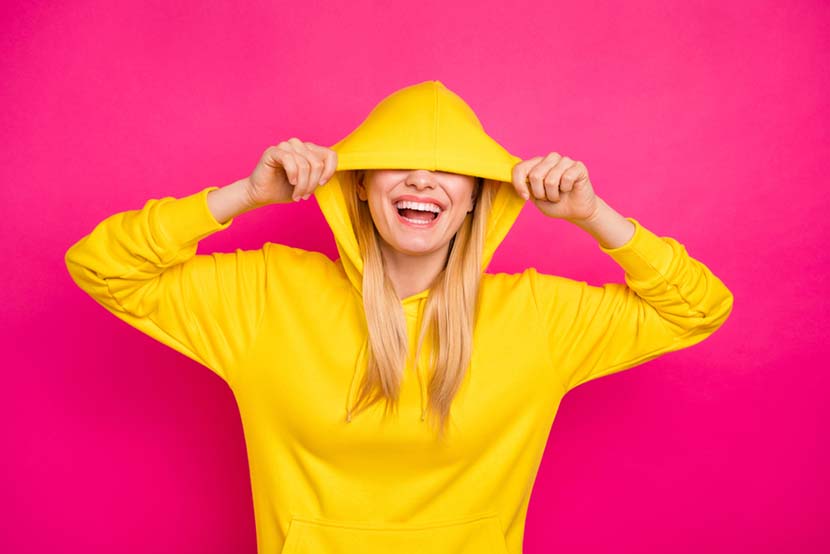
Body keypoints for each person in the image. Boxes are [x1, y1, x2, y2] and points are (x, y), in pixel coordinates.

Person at [65, 80, 733, 554]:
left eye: (447, 170)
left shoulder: (538, 317)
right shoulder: (265, 295)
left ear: (477, 197)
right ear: (360, 186)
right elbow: (101, 266)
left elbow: (699, 309)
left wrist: (593, 216)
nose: (421, 181)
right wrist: (244, 195)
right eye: (397, 167)